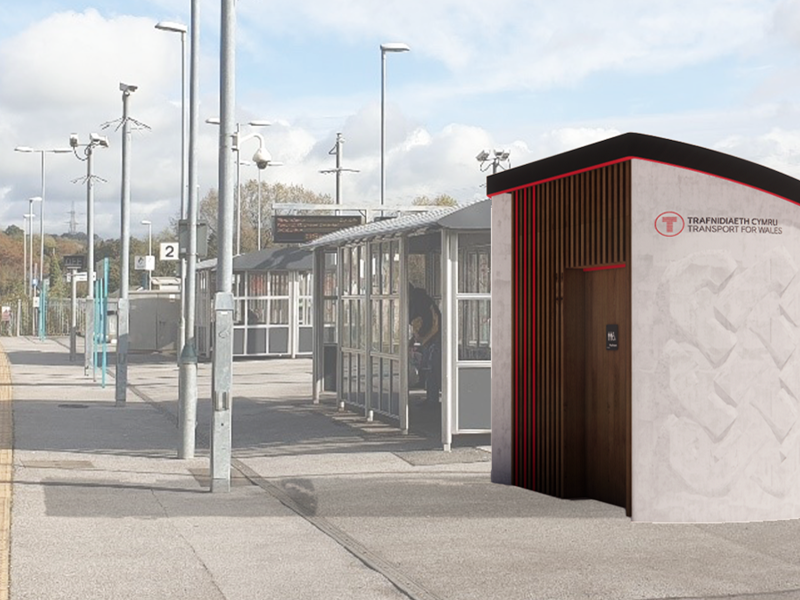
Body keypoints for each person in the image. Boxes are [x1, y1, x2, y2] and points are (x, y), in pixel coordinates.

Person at [408, 284, 441, 403]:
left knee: (431, 368)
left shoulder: (420, 303)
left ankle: (432, 399)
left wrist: (422, 339)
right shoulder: (423, 302)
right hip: (430, 338)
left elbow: (431, 324)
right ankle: (429, 393)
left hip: (433, 339)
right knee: (427, 366)